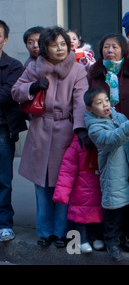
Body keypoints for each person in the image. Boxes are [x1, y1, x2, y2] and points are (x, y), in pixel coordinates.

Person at [11, 26, 90, 248]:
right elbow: (15, 91)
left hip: (65, 130)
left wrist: (81, 129)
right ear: (45, 47)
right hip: (39, 129)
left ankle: (61, 232)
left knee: (62, 184)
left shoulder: (77, 70)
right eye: (55, 44)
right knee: (41, 184)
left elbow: (80, 101)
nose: (60, 48)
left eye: (63, 44)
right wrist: (33, 86)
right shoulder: (34, 67)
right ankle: (44, 232)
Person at [83, 87, 129, 262]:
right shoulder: (94, 128)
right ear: (90, 109)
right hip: (114, 177)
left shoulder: (119, 117)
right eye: (99, 103)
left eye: (106, 100)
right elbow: (113, 139)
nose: (105, 104)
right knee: (114, 213)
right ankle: (112, 243)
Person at [52, 134, 104, 254]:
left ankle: (96, 236)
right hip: (81, 188)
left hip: (98, 185)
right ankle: (83, 239)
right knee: (81, 215)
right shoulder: (77, 142)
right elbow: (68, 169)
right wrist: (62, 192)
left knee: (97, 213)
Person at [0, 20, 27, 242]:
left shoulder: (14, 66)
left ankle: (4, 224)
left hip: (2, 130)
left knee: (3, 180)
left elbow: (6, 95)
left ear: (5, 39)